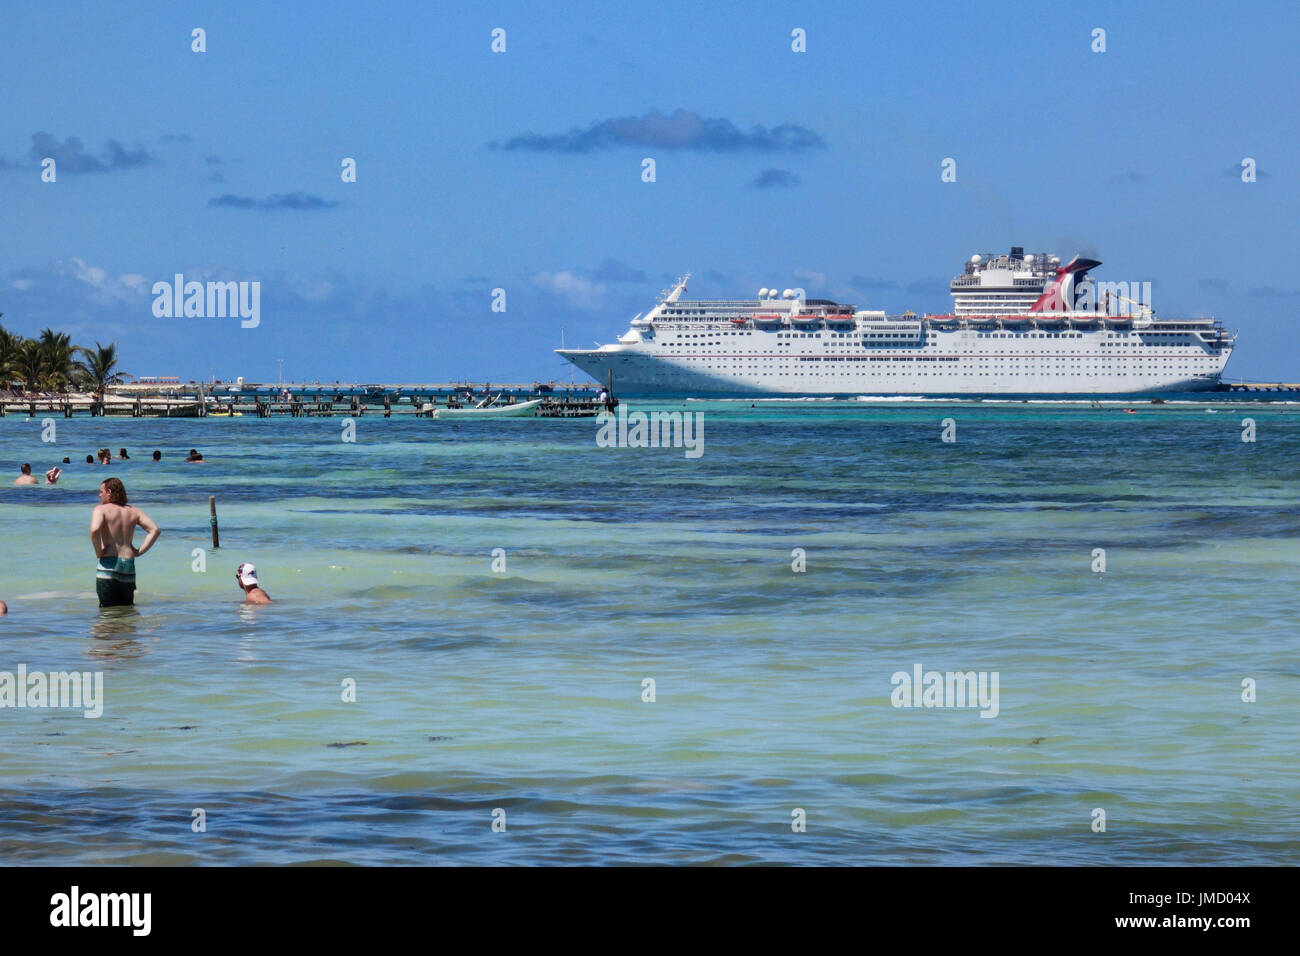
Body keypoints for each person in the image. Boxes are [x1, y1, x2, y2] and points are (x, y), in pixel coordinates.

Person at [90, 477, 161, 608]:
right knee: (127, 609)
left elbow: (95, 530)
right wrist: (139, 552)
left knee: (107, 611)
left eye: (101, 492)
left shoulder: (101, 509)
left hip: (109, 564)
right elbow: (155, 530)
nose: (99, 495)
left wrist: (98, 551)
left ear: (109, 492)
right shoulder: (134, 511)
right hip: (128, 565)